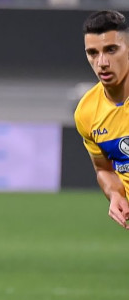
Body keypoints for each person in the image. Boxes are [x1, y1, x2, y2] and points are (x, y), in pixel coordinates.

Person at [76, 10, 129, 229]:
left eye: (111, 49)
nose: (102, 62)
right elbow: (104, 169)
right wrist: (115, 194)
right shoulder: (87, 113)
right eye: (93, 53)